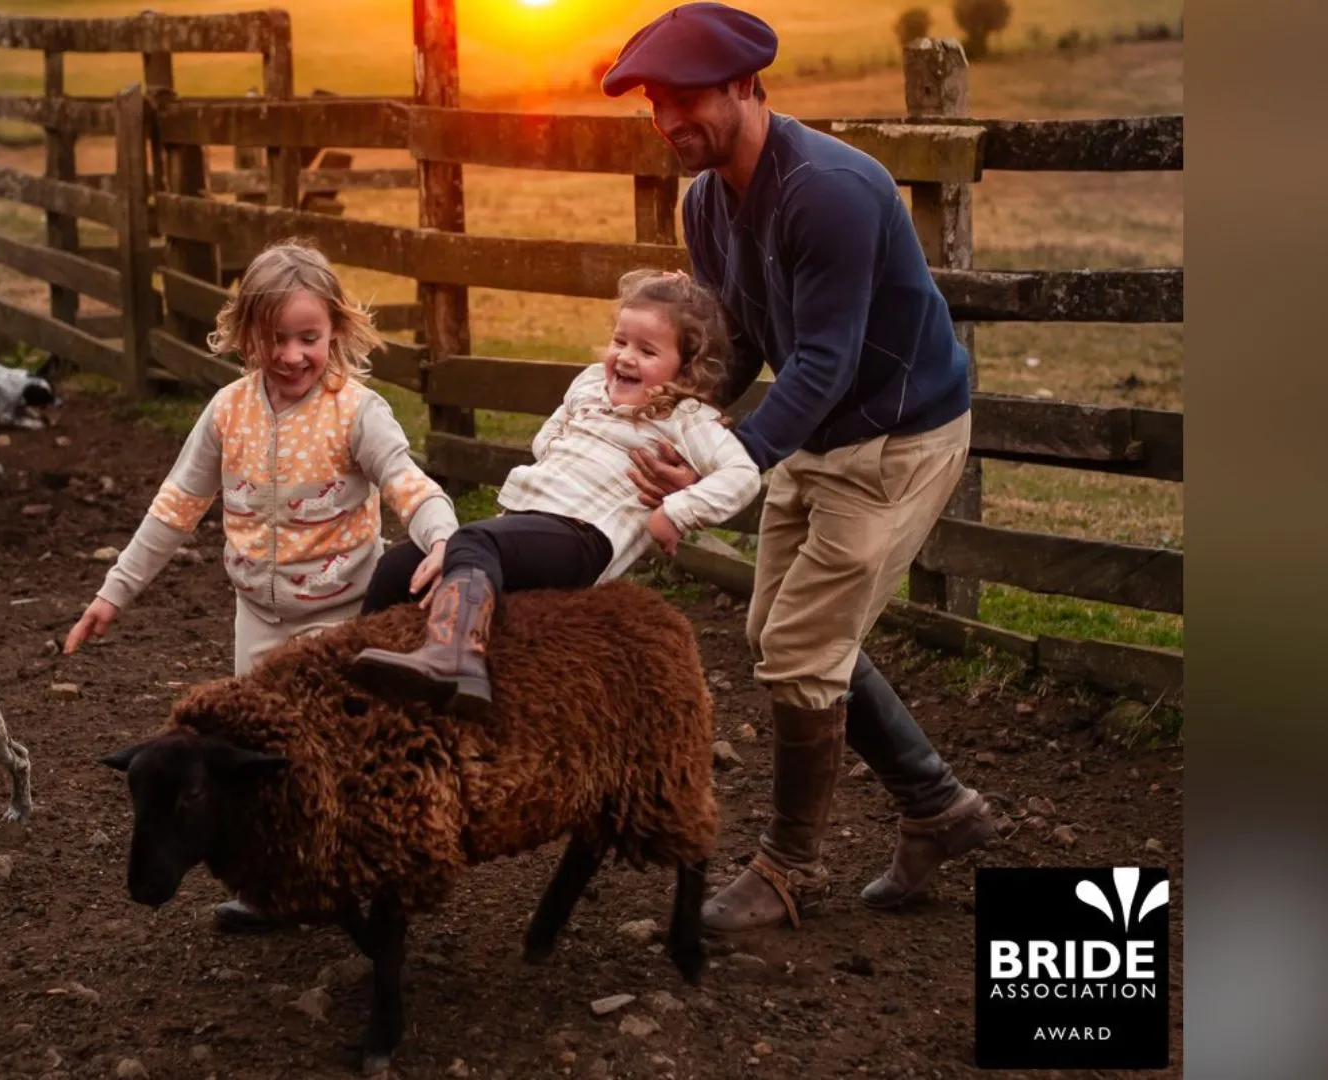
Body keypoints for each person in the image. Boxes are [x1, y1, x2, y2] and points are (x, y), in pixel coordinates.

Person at [601, 2, 1001, 932]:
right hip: (820, 436)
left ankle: (785, 872)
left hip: (898, 438)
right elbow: (736, 342)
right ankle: (941, 808)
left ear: (745, 85)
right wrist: (674, 429)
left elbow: (821, 357)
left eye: (687, 98)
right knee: (776, 633)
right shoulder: (704, 200)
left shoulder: (830, 188)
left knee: (801, 652)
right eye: (656, 104)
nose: (669, 123)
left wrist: (725, 469)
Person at [64, 239, 460, 932]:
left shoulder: (357, 412)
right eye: (274, 338)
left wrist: (446, 539)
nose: (292, 356)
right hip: (258, 615)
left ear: (335, 330)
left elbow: (409, 485)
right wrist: (113, 592)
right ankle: (271, 889)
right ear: (246, 331)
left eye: (309, 337)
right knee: (257, 767)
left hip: (340, 618)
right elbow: (175, 507)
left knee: (336, 758)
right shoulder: (227, 411)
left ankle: (357, 883)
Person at [348, 269, 762, 714]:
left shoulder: (687, 417)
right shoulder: (589, 385)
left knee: (471, 540)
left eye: (647, 350)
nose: (625, 357)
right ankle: (353, 682)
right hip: (525, 523)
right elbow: (550, 434)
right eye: (620, 341)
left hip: (583, 536)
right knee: (401, 564)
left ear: (688, 364)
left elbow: (743, 474)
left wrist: (678, 510)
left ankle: (454, 657)